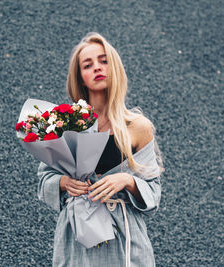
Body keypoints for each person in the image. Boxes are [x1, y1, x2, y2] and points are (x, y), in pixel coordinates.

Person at [37, 32, 164, 267]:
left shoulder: (138, 127)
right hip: (78, 238)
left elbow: (154, 192)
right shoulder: (65, 125)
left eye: (104, 61)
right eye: (88, 64)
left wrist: (127, 180)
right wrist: (64, 183)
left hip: (125, 241)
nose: (97, 67)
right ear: (80, 77)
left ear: (115, 67)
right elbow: (44, 180)